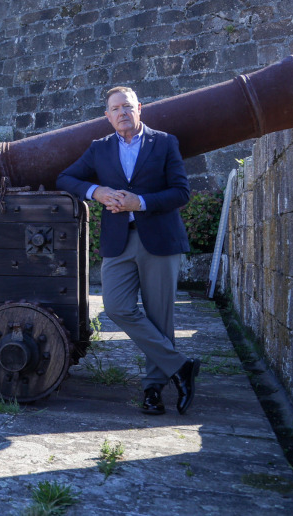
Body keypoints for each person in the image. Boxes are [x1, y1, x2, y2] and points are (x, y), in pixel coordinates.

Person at [56, 86, 200, 415]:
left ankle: (152, 390)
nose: (122, 112)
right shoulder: (99, 149)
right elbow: (66, 178)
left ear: (140, 109)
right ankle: (181, 368)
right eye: (115, 109)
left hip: (159, 238)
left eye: (127, 106)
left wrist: (142, 202)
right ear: (107, 117)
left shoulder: (164, 142)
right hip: (119, 240)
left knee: (159, 317)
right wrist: (97, 191)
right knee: (117, 306)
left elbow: (181, 192)